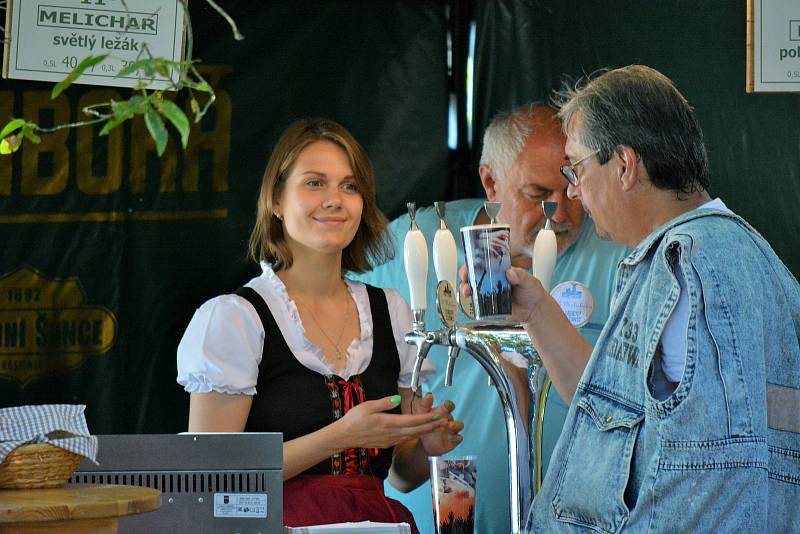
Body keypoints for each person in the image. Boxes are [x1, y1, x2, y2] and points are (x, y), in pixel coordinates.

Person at [488, 66, 800, 532]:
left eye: (575, 169)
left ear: (625, 165)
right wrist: (535, 309)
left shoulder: (682, 267)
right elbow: (620, 412)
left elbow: (712, 471)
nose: (573, 191)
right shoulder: (756, 258)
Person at [176, 118, 465, 532]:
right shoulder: (236, 318)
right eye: (314, 183)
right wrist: (340, 435)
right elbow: (211, 478)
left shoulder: (392, 311)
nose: (335, 200)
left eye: (349, 186)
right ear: (276, 200)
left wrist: (426, 449)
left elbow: (400, 475)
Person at [355, 104, 630, 534]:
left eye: (571, 187)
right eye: (539, 194)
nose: (558, 211)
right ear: (490, 181)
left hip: (576, 520)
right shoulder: (420, 242)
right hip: (438, 516)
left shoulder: (618, 254)